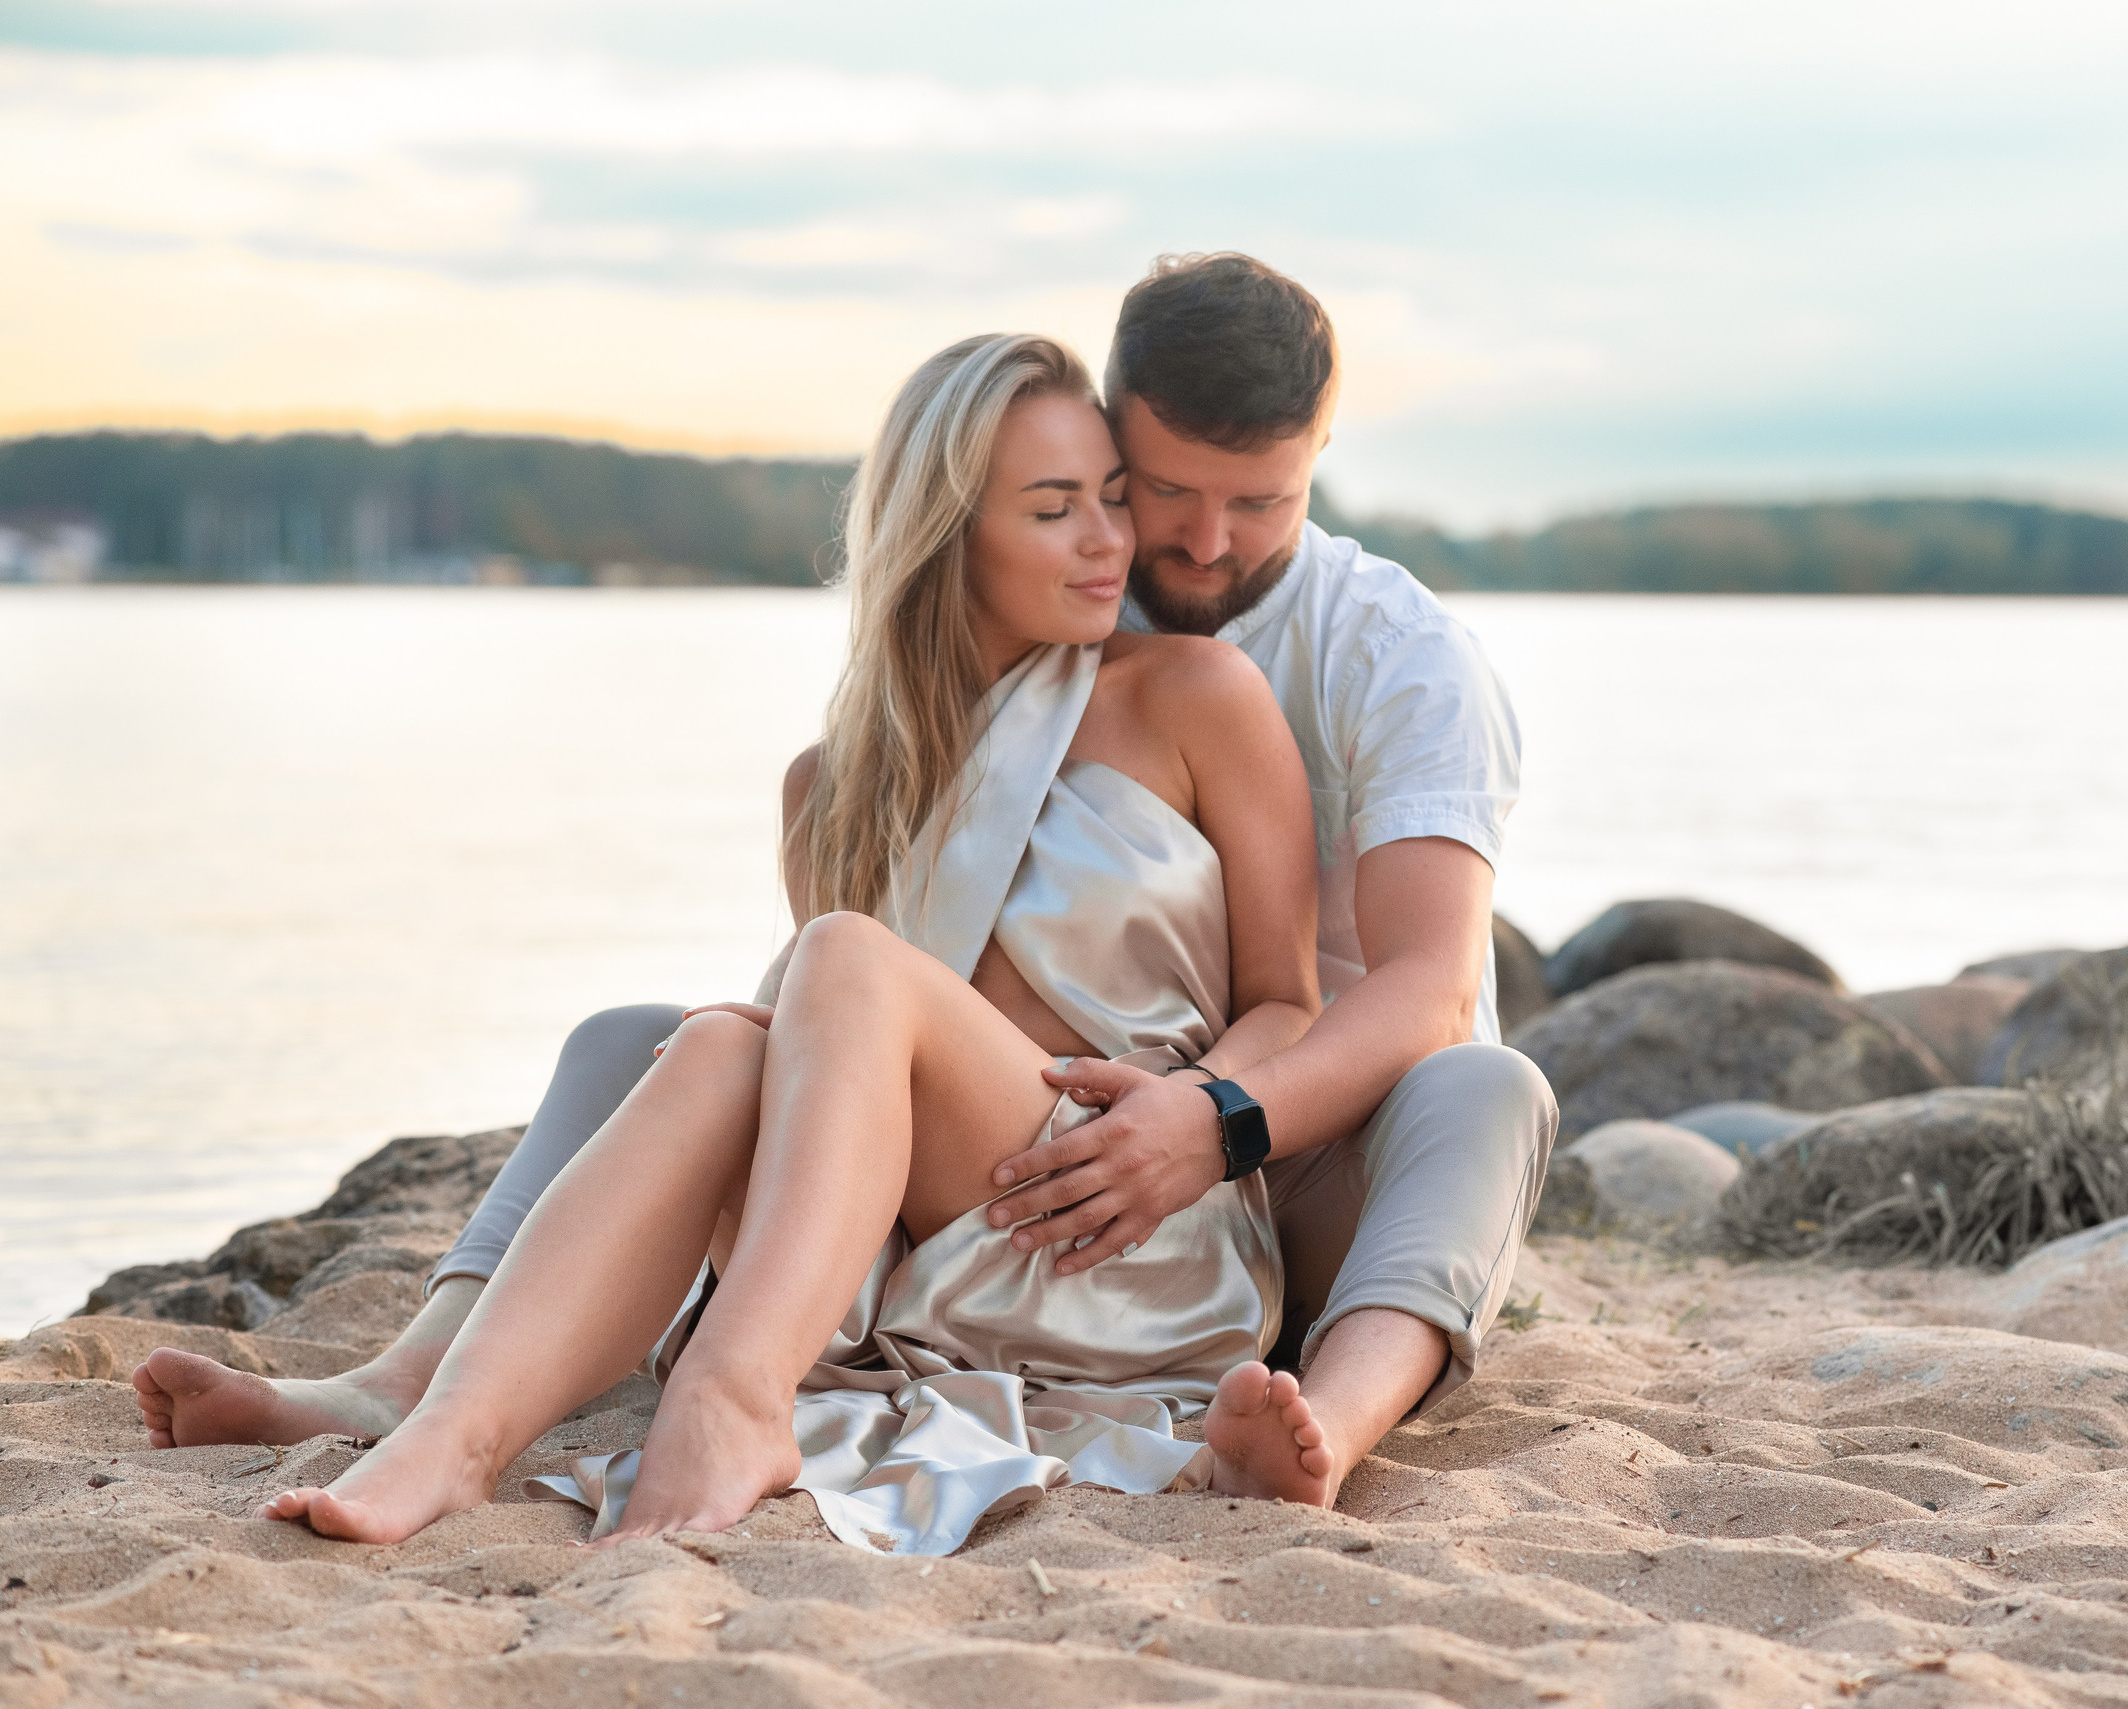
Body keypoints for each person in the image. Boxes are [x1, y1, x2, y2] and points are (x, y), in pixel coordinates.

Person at [139, 253, 1558, 1513]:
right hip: (974, 1176)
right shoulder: (893, 737)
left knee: (1486, 1083)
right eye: (1137, 493)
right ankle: (416, 1394)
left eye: (1257, 503)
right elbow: (854, 1014)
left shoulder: (1330, 662)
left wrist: (1207, 1120)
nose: (1174, 543)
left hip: (1290, 1151)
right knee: (662, 1039)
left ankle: (1322, 1427)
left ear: (1314, 465)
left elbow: (1407, 991)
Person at [258, 331, 1329, 1549]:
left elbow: (1288, 1003)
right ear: (946, 529)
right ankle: (451, 1438)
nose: (1109, 541)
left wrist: (1189, 1119)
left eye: (1113, 500)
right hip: (913, 1240)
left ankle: (732, 1394)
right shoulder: (831, 787)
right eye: (1054, 508)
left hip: (1128, 1218)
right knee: (713, 1044)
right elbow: (840, 1074)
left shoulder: (1191, 694)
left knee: (840, 956)